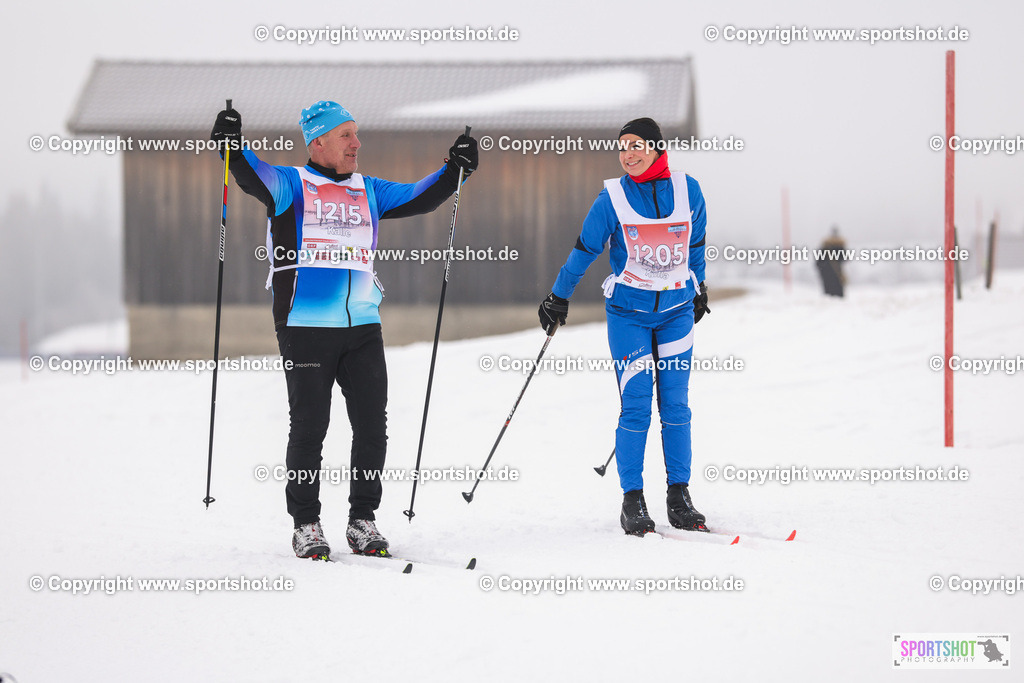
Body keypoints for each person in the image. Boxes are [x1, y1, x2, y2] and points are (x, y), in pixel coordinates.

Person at [210, 101, 477, 559]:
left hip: (363, 324)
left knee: (373, 424)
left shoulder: (368, 189)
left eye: (357, 134)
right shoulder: (291, 185)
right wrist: (230, 144)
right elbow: (250, 172)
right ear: (318, 142)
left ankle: (362, 521)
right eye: (346, 135)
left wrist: (457, 169)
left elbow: (420, 195)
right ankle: (306, 525)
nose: (357, 143)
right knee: (310, 426)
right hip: (305, 324)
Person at [538, 117, 710, 536]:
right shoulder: (612, 198)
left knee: (675, 405)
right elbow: (584, 249)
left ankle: (679, 495)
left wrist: (699, 285)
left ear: (656, 148)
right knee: (636, 403)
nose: (628, 155)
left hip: (676, 313)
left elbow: (697, 242)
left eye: (636, 146)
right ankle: (632, 500)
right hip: (629, 316)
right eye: (622, 147)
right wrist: (559, 295)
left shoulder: (689, 190)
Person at [815, 225, 847, 297]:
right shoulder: (839, 246)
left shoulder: (826, 246)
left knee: (829, 295)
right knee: (836, 296)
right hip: (835, 274)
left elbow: (818, 262)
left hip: (829, 275)